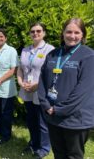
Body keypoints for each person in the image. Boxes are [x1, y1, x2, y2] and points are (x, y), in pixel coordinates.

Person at [38, 18, 94, 159]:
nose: (72, 36)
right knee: (59, 153)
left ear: (83, 35)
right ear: (62, 33)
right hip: (52, 116)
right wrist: (46, 105)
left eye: (77, 32)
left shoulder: (88, 55)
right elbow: (42, 82)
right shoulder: (53, 54)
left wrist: (58, 109)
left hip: (75, 118)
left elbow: (83, 91)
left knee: (74, 155)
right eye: (69, 31)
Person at [17, 23, 54, 158]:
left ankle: (44, 148)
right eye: (32, 31)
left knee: (42, 122)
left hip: (41, 90)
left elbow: (51, 74)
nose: (35, 33)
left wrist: (37, 85)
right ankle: (33, 143)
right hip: (27, 90)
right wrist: (21, 82)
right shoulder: (25, 50)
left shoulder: (50, 50)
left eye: (38, 31)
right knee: (31, 119)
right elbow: (20, 69)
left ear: (44, 33)